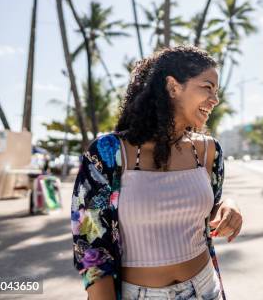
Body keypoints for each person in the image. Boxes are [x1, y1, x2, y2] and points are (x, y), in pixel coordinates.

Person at [71, 46, 242, 300]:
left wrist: (228, 205)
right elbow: (91, 248)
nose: (215, 100)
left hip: (206, 289)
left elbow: (207, 209)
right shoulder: (108, 152)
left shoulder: (209, 151)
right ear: (173, 87)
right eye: (207, 87)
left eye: (216, 91)